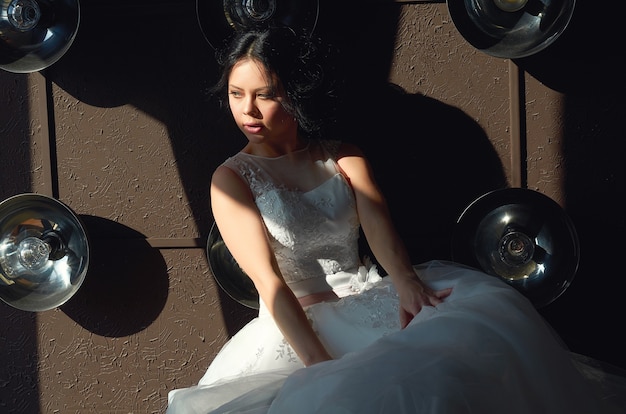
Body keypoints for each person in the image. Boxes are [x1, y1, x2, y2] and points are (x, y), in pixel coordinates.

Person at [167, 28, 622, 413]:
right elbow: (270, 284)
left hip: (368, 299)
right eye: (236, 93)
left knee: (461, 357)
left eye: (264, 95)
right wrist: (321, 366)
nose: (246, 110)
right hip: (297, 329)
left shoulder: (342, 155)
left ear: (296, 90)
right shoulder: (231, 178)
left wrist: (406, 282)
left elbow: (380, 230)